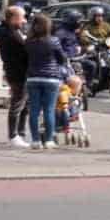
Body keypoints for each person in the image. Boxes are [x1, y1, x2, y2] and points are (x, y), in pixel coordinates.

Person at [24, 13, 68, 150]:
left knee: (34, 110)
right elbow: (62, 58)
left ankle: (35, 141)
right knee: (49, 110)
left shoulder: (28, 42)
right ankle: (49, 140)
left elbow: (25, 59)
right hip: (51, 78)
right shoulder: (53, 41)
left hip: (33, 78)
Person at [0, 5, 30, 147]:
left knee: (24, 104)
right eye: (22, 18)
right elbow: (23, 48)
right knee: (18, 103)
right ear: (14, 18)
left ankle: (20, 133)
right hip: (17, 72)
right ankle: (13, 135)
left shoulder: (10, 29)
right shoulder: (9, 33)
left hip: (18, 71)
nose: (24, 21)